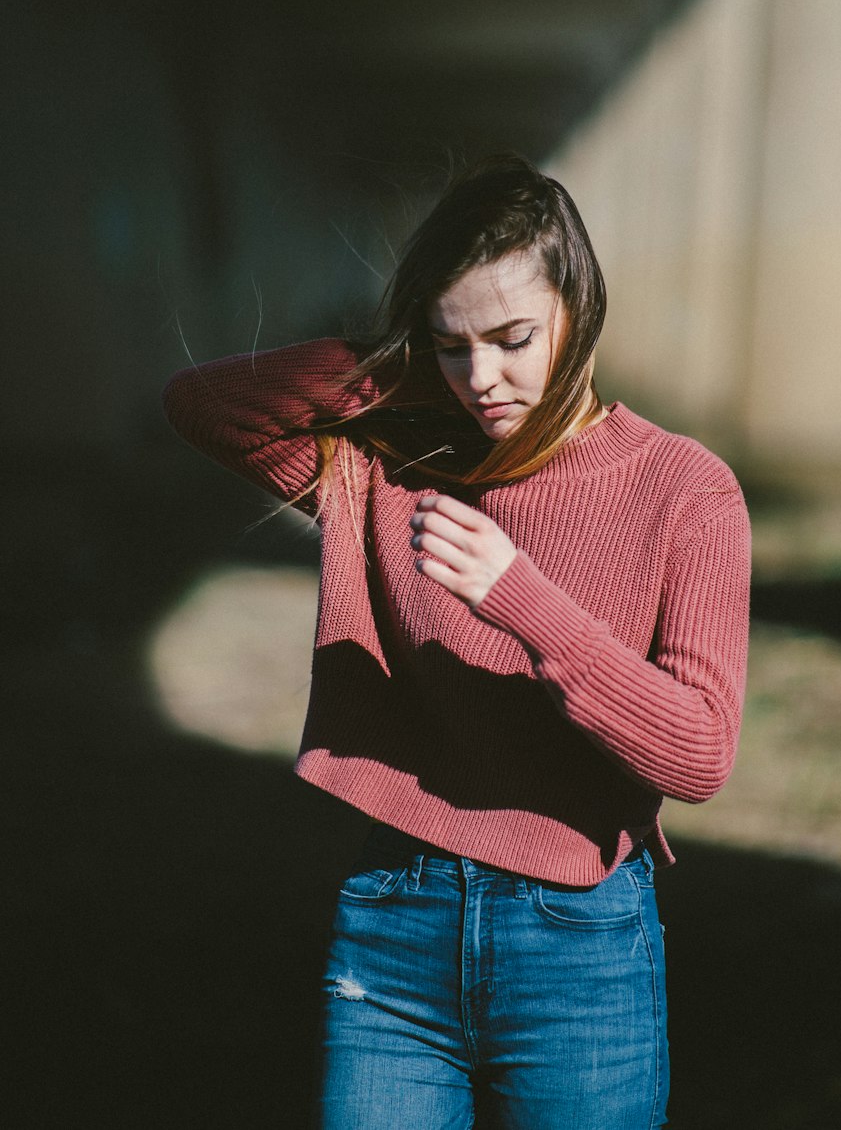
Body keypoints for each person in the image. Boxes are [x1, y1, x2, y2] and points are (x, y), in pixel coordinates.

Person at [162, 154, 751, 1130]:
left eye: (513, 337)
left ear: (581, 311)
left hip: (579, 941)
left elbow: (697, 753)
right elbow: (202, 402)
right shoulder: (396, 456)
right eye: (452, 345)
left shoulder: (684, 490)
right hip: (393, 919)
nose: (483, 378)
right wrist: (400, 367)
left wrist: (519, 596)